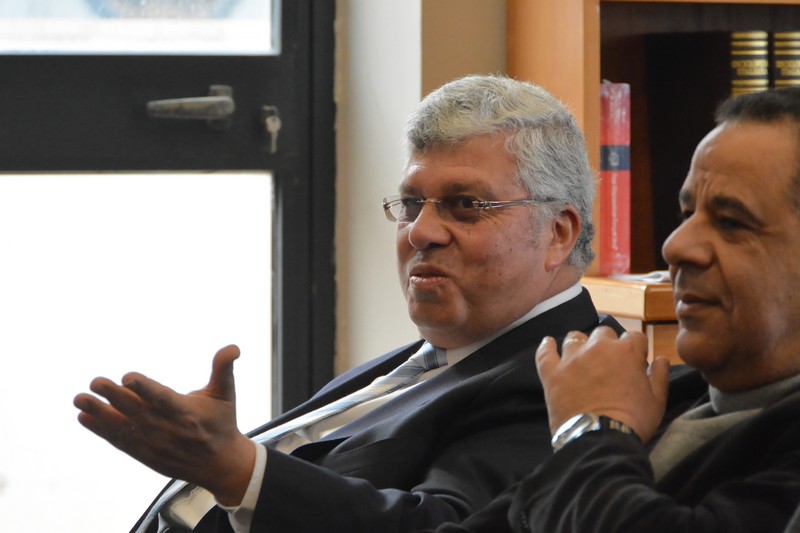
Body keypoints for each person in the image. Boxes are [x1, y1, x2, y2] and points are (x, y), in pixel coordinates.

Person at [72, 75, 633, 533]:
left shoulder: (567, 381)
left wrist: (237, 468)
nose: (420, 232)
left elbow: (444, 525)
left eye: (465, 205)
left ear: (558, 233)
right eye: (410, 204)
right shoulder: (425, 360)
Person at [432, 87, 800, 533]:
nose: (676, 246)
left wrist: (591, 429)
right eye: (687, 213)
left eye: (731, 222)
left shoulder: (609, 411)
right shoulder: (659, 395)